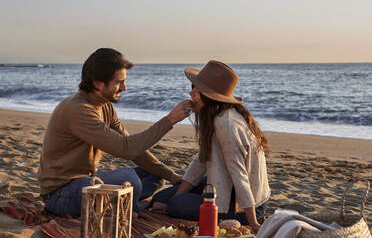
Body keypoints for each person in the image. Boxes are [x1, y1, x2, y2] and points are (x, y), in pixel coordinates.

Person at [38, 48, 193, 218]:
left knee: (153, 174)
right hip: (61, 195)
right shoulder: (78, 110)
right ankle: (130, 209)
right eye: (119, 82)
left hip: (87, 183)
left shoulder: (105, 106)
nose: (124, 88)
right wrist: (170, 119)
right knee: (129, 178)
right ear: (98, 83)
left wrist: (172, 176)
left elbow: (134, 150)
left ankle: (125, 203)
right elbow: (126, 149)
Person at [150, 60, 271, 233]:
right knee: (161, 198)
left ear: (209, 96)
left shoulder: (225, 124)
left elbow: (239, 175)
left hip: (239, 205)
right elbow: (200, 162)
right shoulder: (217, 115)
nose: (191, 93)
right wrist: (175, 197)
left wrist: (253, 223)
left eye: (197, 91)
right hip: (226, 185)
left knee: (174, 204)